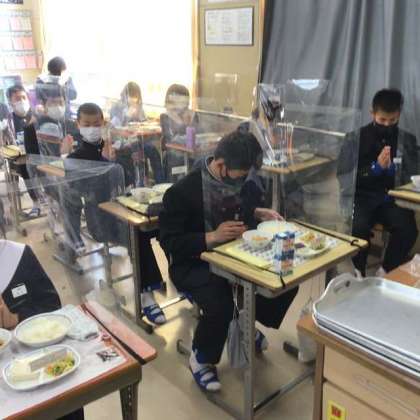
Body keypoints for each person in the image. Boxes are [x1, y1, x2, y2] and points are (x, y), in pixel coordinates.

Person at [159, 130, 298, 392]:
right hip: (194, 262)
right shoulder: (182, 192)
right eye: (241, 174)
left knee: (284, 280)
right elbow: (169, 241)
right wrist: (211, 236)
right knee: (220, 302)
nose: (245, 180)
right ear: (221, 165)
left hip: (236, 254)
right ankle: (201, 358)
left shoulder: (242, 181)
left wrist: (258, 212)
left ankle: (243, 323)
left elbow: (240, 211)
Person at [64, 103, 166, 325]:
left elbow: (129, 181)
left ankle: (179, 279)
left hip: (126, 208)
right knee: (138, 235)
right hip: (101, 220)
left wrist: (120, 160)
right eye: (87, 124)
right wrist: (104, 164)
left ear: (103, 123)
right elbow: (79, 194)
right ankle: (147, 295)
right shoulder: (74, 159)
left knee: (164, 226)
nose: (92, 129)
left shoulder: (116, 148)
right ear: (78, 125)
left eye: (96, 124)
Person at [0, 238, 84, 420]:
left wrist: (17, 317)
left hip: (39, 361)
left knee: (65, 403)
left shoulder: (18, 256)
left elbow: (52, 305)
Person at [338, 88, 418, 276]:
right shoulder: (355, 138)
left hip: (392, 200)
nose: (387, 124)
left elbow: (414, 175)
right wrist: (375, 169)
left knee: (408, 230)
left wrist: (394, 170)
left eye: (393, 120)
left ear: (399, 115)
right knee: (357, 229)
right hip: (363, 198)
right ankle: (358, 273)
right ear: (372, 113)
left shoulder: (407, 140)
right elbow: (344, 176)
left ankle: (385, 270)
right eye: (382, 120)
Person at [110, 82, 164, 185]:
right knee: (140, 155)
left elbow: (143, 122)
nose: (133, 98)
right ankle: (140, 184)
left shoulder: (138, 106)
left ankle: (160, 183)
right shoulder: (116, 107)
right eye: (131, 95)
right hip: (123, 143)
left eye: (136, 96)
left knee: (153, 150)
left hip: (137, 140)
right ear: (125, 95)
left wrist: (144, 120)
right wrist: (127, 115)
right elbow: (115, 128)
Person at [6, 84, 41, 216]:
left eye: (23, 97)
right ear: (10, 102)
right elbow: (6, 145)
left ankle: (54, 201)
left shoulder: (36, 115)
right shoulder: (8, 121)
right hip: (21, 157)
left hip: (40, 154)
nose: (21, 101)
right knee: (24, 165)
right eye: (17, 99)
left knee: (54, 163)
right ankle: (36, 203)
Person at [160, 84, 200, 181]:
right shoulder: (165, 116)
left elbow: (199, 134)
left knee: (201, 160)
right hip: (174, 154)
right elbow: (171, 140)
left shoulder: (192, 114)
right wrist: (183, 123)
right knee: (176, 158)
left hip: (192, 153)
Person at [36, 84, 78, 157]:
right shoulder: (47, 127)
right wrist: (65, 153)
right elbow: (53, 159)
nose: (58, 106)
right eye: (53, 102)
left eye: (61, 102)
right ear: (43, 104)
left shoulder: (61, 122)